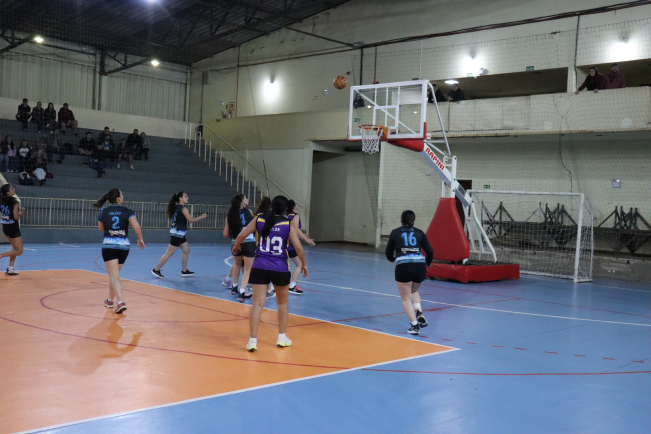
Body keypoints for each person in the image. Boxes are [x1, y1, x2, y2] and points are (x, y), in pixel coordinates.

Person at [232, 195, 308, 352]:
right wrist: (304, 264)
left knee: (257, 305)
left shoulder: (259, 219)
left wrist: (236, 246)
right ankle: (281, 337)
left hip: (260, 266)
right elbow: (298, 247)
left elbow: (242, 235)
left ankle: (252, 340)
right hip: (280, 268)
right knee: (282, 304)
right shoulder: (287, 223)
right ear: (285, 209)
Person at [95, 188, 145, 314]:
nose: (123, 195)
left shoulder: (104, 211)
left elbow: (101, 228)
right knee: (115, 275)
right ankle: (110, 300)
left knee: (114, 276)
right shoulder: (127, 211)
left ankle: (121, 302)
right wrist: (140, 238)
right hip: (124, 247)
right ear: (118, 198)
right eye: (122, 194)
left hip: (109, 246)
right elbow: (136, 226)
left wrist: (110, 228)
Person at [385, 210, 434, 335]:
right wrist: (428, 263)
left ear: (401, 220)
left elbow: (388, 252)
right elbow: (430, 251)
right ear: (414, 220)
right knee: (413, 290)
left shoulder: (395, 232)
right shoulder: (419, 232)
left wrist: (392, 259)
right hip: (420, 266)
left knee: (405, 298)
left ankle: (414, 325)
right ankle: (419, 312)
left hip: (404, 265)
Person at [152, 191, 207, 278]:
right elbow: (190, 220)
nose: (187, 198)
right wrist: (202, 217)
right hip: (177, 233)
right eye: (185, 196)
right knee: (169, 253)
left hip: (179, 233)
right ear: (180, 198)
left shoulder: (176, 208)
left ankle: (184, 271)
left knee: (186, 250)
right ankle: (156, 269)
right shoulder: (183, 209)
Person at [223, 194, 256, 302]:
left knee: (237, 264)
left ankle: (234, 287)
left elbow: (225, 234)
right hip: (249, 242)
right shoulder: (249, 212)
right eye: (245, 198)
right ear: (241, 202)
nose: (247, 199)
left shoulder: (230, 215)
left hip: (235, 243)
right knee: (247, 269)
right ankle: (242, 292)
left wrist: (234, 238)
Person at [286, 200, 315, 295]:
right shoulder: (295, 215)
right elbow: (295, 228)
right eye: (296, 203)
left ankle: (275, 286)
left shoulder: (285, 215)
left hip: (283, 243)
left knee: (283, 265)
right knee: (299, 264)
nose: (297, 204)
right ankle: (292, 286)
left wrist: (301, 236)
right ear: (294, 206)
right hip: (291, 244)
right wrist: (305, 238)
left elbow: (290, 230)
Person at [0, 184, 26, 276]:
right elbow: (16, 217)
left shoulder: (1, 201)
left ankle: (11, 269)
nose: (13, 189)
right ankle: (1, 255)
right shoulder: (14, 202)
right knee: (19, 251)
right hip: (13, 227)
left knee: (14, 248)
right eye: (11, 189)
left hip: (5, 227)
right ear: (8, 192)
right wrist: (23, 212)